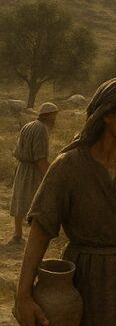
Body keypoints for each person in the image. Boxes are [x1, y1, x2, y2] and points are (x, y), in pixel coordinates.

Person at [14, 77, 116, 326]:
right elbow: (41, 229)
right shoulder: (68, 166)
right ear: (106, 115)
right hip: (86, 282)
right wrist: (23, 294)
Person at [8, 102, 59, 245]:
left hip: (22, 167)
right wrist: (50, 177)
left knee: (20, 198)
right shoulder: (41, 129)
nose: (56, 118)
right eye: (54, 115)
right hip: (33, 170)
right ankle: (33, 238)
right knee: (36, 202)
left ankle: (17, 234)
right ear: (49, 116)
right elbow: (40, 158)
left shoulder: (28, 125)